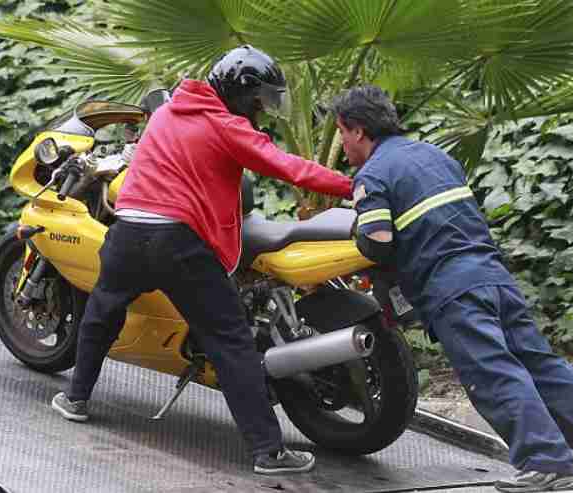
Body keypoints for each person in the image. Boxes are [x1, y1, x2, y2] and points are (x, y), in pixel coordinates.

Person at [51, 45, 353, 475]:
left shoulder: (168, 113)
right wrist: (351, 187)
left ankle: (76, 397)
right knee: (230, 341)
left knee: (103, 310)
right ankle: (268, 452)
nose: (261, 111)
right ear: (237, 93)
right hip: (178, 242)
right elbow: (289, 168)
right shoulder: (226, 126)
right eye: (258, 101)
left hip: (128, 231)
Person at [331, 85, 573, 492]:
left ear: (356, 130)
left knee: (493, 373)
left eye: (341, 132)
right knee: (543, 366)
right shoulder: (436, 156)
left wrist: (351, 230)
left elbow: (377, 242)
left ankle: (548, 463)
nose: (340, 144)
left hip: (450, 288)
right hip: (493, 276)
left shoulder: (373, 175)